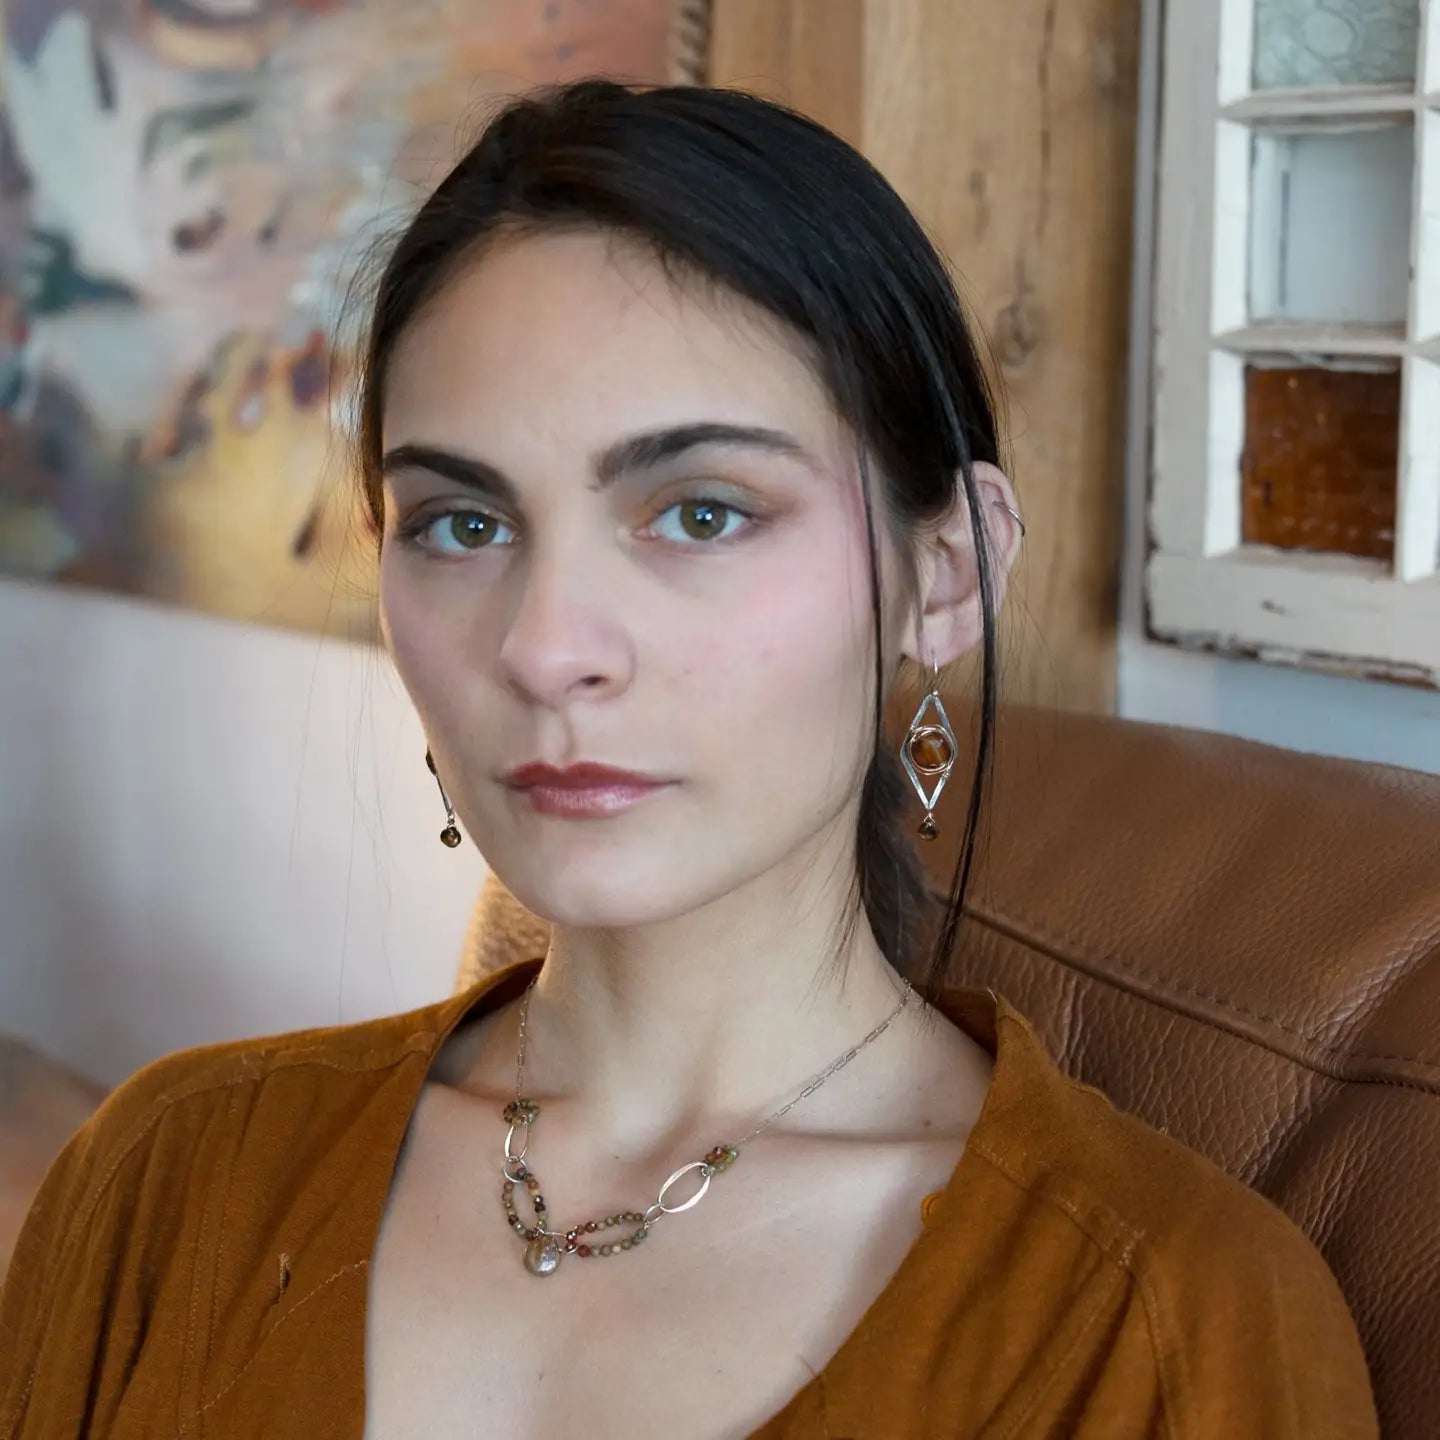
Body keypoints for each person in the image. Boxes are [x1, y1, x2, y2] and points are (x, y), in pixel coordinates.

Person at [0, 80, 1377, 1439]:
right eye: (464, 524)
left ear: (948, 573)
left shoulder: (1161, 1325)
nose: (547, 650)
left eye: (701, 512)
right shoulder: (168, 1175)